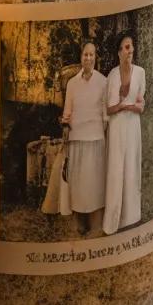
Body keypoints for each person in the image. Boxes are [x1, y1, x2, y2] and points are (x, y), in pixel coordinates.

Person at [60, 42, 108, 235]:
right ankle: (81, 223)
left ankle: (95, 224)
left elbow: (105, 114)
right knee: (78, 184)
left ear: (96, 57)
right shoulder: (72, 83)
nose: (88, 58)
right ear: (80, 57)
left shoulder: (103, 81)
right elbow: (67, 112)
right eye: (85, 55)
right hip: (76, 138)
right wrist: (65, 129)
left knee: (94, 183)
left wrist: (104, 134)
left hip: (95, 140)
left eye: (92, 55)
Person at [104, 31, 145, 234]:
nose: (131, 50)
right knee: (116, 168)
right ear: (119, 52)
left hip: (133, 127)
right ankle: (114, 219)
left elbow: (141, 105)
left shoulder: (140, 72)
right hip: (118, 126)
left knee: (131, 166)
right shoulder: (112, 75)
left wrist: (129, 106)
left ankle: (131, 216)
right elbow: (109, 109)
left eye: (132, 47)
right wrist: (124, 107)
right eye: (127, 47)